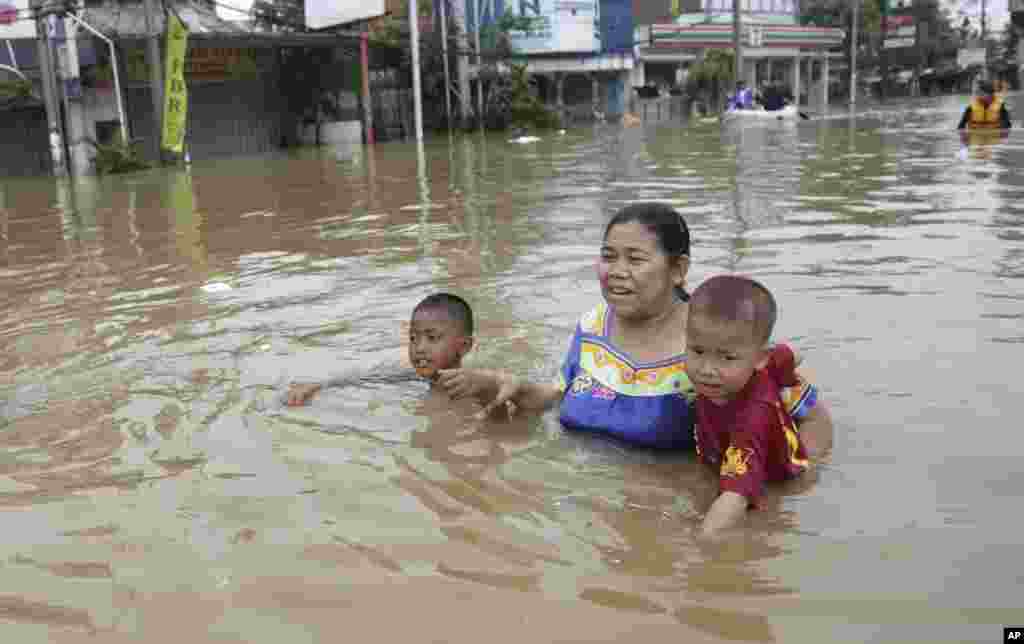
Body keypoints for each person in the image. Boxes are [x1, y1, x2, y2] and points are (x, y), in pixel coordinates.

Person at [437, 203, 832, 456]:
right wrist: (508, 386)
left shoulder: (715, 341)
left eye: (635, 259)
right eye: (609, 257)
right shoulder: (592, 325)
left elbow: (811, 417)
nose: (617, 272)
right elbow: (560, 396)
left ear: (677, 270)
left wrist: (796, 488)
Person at [684, 275, 810, 539]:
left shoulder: (751, 419)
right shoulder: (739, 370)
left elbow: (736, 497)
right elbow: (788, 355)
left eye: (726, 357)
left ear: (758, 359)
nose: (707, 370)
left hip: (775, 475)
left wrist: (699, 545)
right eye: (696, 351)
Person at [286, 292, 475, 406]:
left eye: (432, 338)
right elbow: (367, 379)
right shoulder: (413, 378)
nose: (419, 348)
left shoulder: (476, 392)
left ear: (464, 346)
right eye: (413, 338)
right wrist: (319, 385)